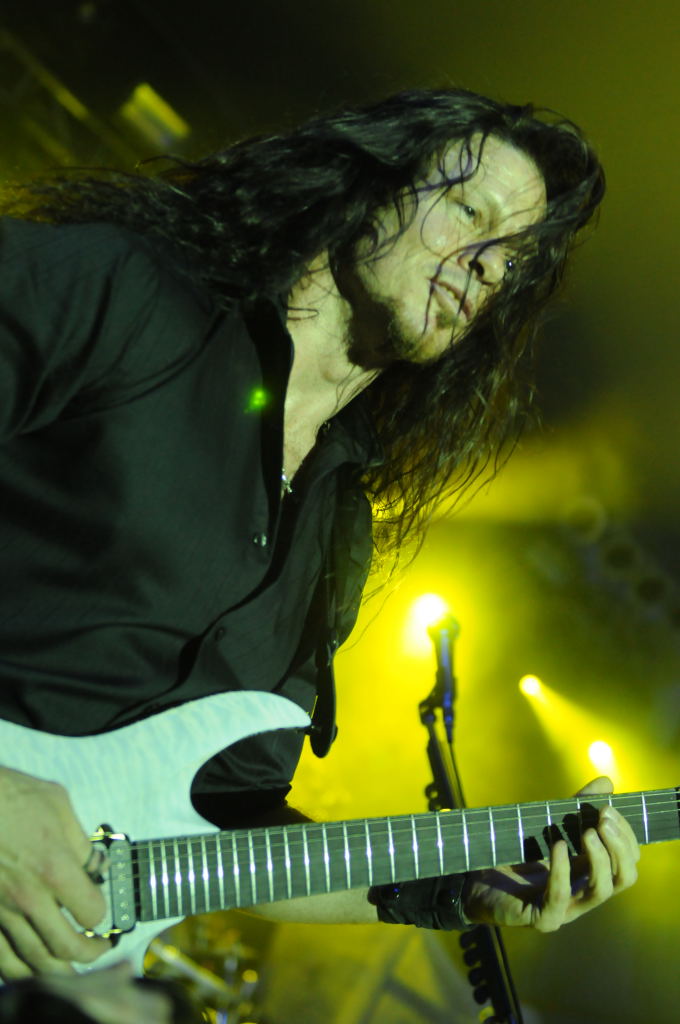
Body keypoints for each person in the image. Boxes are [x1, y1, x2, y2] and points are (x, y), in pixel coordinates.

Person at [0, 86, 639, 1008]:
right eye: (470, 213)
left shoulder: (338, 528)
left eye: (511, 258)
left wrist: (462, 889)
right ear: (365, 187)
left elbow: (227, 828)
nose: (485, 266)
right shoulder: (127, 291)